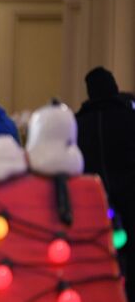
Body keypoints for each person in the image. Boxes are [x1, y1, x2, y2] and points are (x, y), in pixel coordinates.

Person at [76, 67, 135, 301]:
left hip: (94, 201)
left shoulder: (79, 122)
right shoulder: (129, 117)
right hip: (130, 195)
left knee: (97, 253)